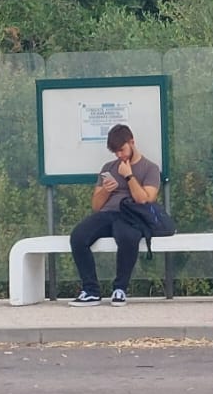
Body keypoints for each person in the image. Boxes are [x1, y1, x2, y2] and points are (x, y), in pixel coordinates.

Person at [68, 124, 162, 306]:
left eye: (122, 150)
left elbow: (145, 199)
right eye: (115, 152)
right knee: (78, 237)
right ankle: (90, 290)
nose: (119, 155)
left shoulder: (150, 168)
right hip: (108, 213)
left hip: (131, 215)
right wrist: (105, 190)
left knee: (128, 238)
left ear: (132, 142)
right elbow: (96, 205)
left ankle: (120, 289)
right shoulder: (109, 167)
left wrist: (128, 176)